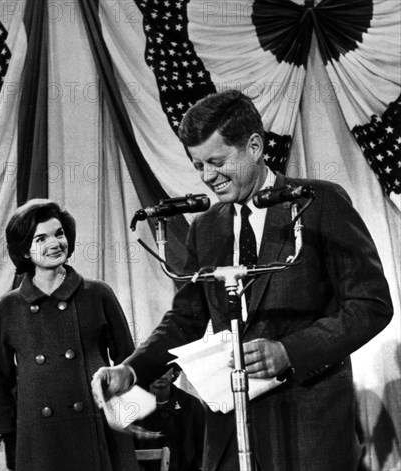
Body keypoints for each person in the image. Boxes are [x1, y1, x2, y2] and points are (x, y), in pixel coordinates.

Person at [92, 90, 393, 471]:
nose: (207, 177)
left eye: (217, 161)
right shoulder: (206, 228)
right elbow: (185, 319)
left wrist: (289, 351)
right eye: (198, 165)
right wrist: (132, 370)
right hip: (230, 433)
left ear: (254, 146)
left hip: (308, 429)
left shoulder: (318, 203)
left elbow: (371, 305)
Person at [0, 198, 139, 471]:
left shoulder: (97, 293)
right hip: (39, 434)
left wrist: (128, 415)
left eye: (59, 234)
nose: (55, 243)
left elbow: (127, 359)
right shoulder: (8, 308)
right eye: (41, 238)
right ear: (24, 250)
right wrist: (7, 433)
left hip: (99, 423)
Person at [133, 366, 205, 471]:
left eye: (165, 367)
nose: (160, 373)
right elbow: (127, 454)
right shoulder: (131, 407)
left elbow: (202, 450)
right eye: (153, 366)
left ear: (174, 372)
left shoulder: (192, 405)